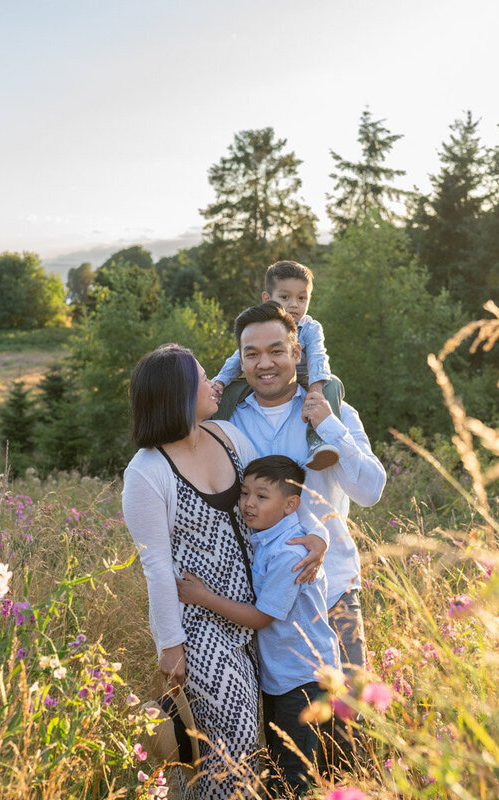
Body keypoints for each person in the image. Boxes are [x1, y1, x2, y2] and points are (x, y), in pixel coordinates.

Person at [120, 344, 327, 799]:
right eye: (201, 378)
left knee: (230, 748)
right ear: (177, 394)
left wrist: (314, 537)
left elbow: (275, 497)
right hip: (201, 628)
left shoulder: (225, 435)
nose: (215, 384)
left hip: (249, 619)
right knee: (232, 746)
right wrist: (170, 648)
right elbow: (155, 568)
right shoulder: (148, 471)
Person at [225, 302, 386, 677]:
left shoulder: (339, 413)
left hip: (333, 590)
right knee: (286, 723)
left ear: (297, 353)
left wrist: (329, 426)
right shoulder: (228, 421)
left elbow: (370, 491)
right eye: (253, 354)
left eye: (276, 351)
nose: (265, 363)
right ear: (242, 361)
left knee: (349, 717)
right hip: (262, 597)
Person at [176, 455, 341, 798]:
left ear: (290, 505)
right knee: (279, 763)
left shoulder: (289, 552)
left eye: (262, 496)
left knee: (294, 773)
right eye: (245, 493)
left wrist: (203, 597)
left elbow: (262, 616)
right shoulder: (264, 538)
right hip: (282, 677)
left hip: (304, 678)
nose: (249, 504)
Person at [211, 260, 345, 471]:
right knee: (230, 390)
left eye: (302, 298)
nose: (294, 305)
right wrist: (219, 381)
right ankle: (208, 433)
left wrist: (316, 387)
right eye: (285, 297)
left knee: (333, 385)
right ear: (267, 299)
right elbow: (238, 359)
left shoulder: (310, 328)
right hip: (264, 380)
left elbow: (319, 356)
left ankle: (319, 442)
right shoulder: (258, 327)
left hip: (303, 378)